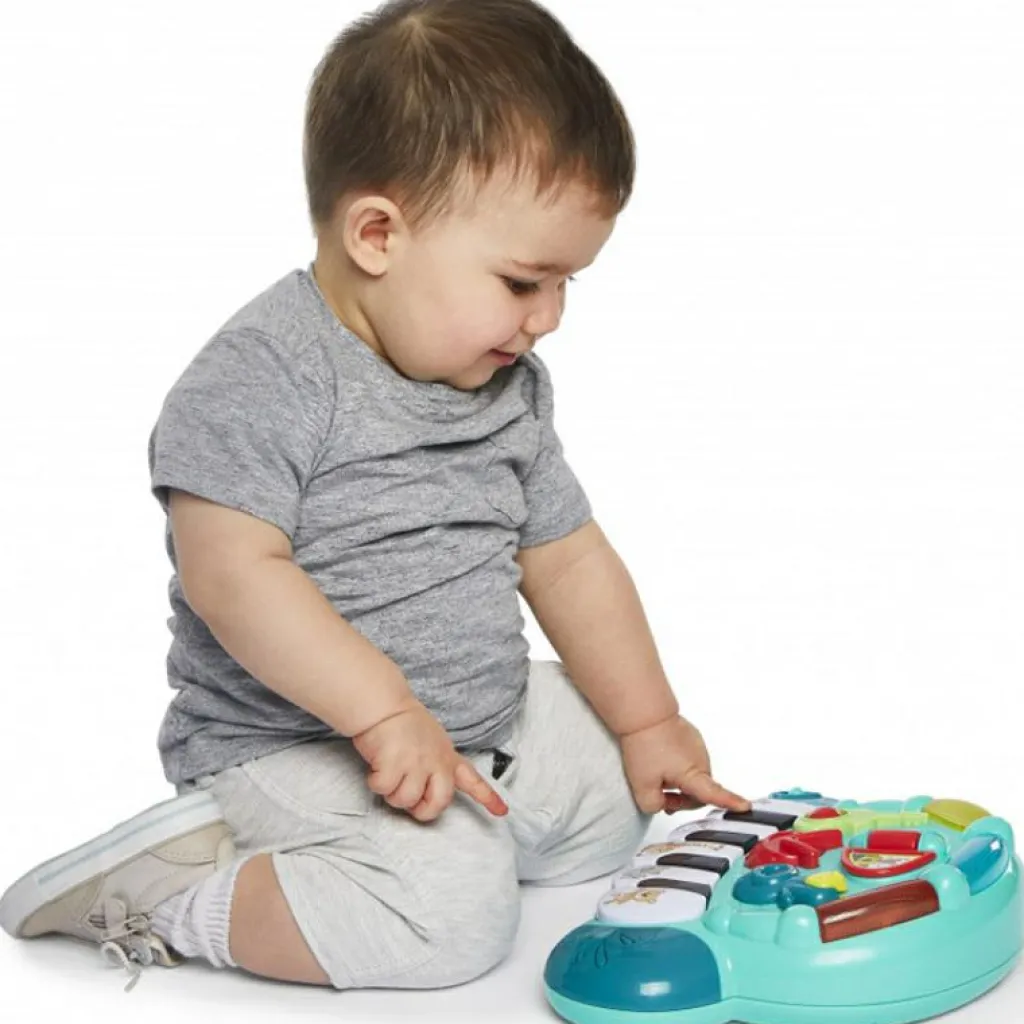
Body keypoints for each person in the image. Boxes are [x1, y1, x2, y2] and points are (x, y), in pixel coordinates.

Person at [0, 0, 749, 994]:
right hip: (300, 740)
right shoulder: (260, 380)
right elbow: (232, 576)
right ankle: (169, 892)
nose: (550, 318)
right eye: (523, 282)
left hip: (482, 714)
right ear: (378, 234)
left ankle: (433, 845)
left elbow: (567, 556)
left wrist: (650, 720)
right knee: (450, 927)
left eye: (568, 283)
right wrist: (383, 711)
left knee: (620, 799)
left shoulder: (507, 385)